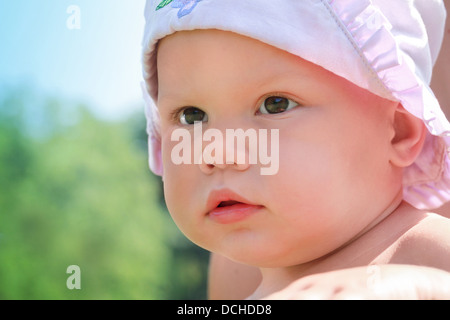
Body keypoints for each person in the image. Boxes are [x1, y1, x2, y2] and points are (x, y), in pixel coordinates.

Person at [141, 0, 450, 299]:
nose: (217, 152)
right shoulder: (239, 289)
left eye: (275, 104)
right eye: (191, 116)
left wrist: (424, 288)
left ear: (398, 132)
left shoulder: (425, 253)